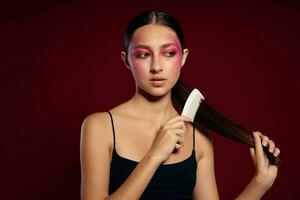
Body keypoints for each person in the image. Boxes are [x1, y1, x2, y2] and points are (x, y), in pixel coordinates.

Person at [80, 10, 281, 200]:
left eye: (168, 53)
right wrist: (155, 155)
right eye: (143, 54)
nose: (156, 67)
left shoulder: (198, 137)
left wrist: (260, 183)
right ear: (126, 61)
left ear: (183, 57)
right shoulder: (100, 127)